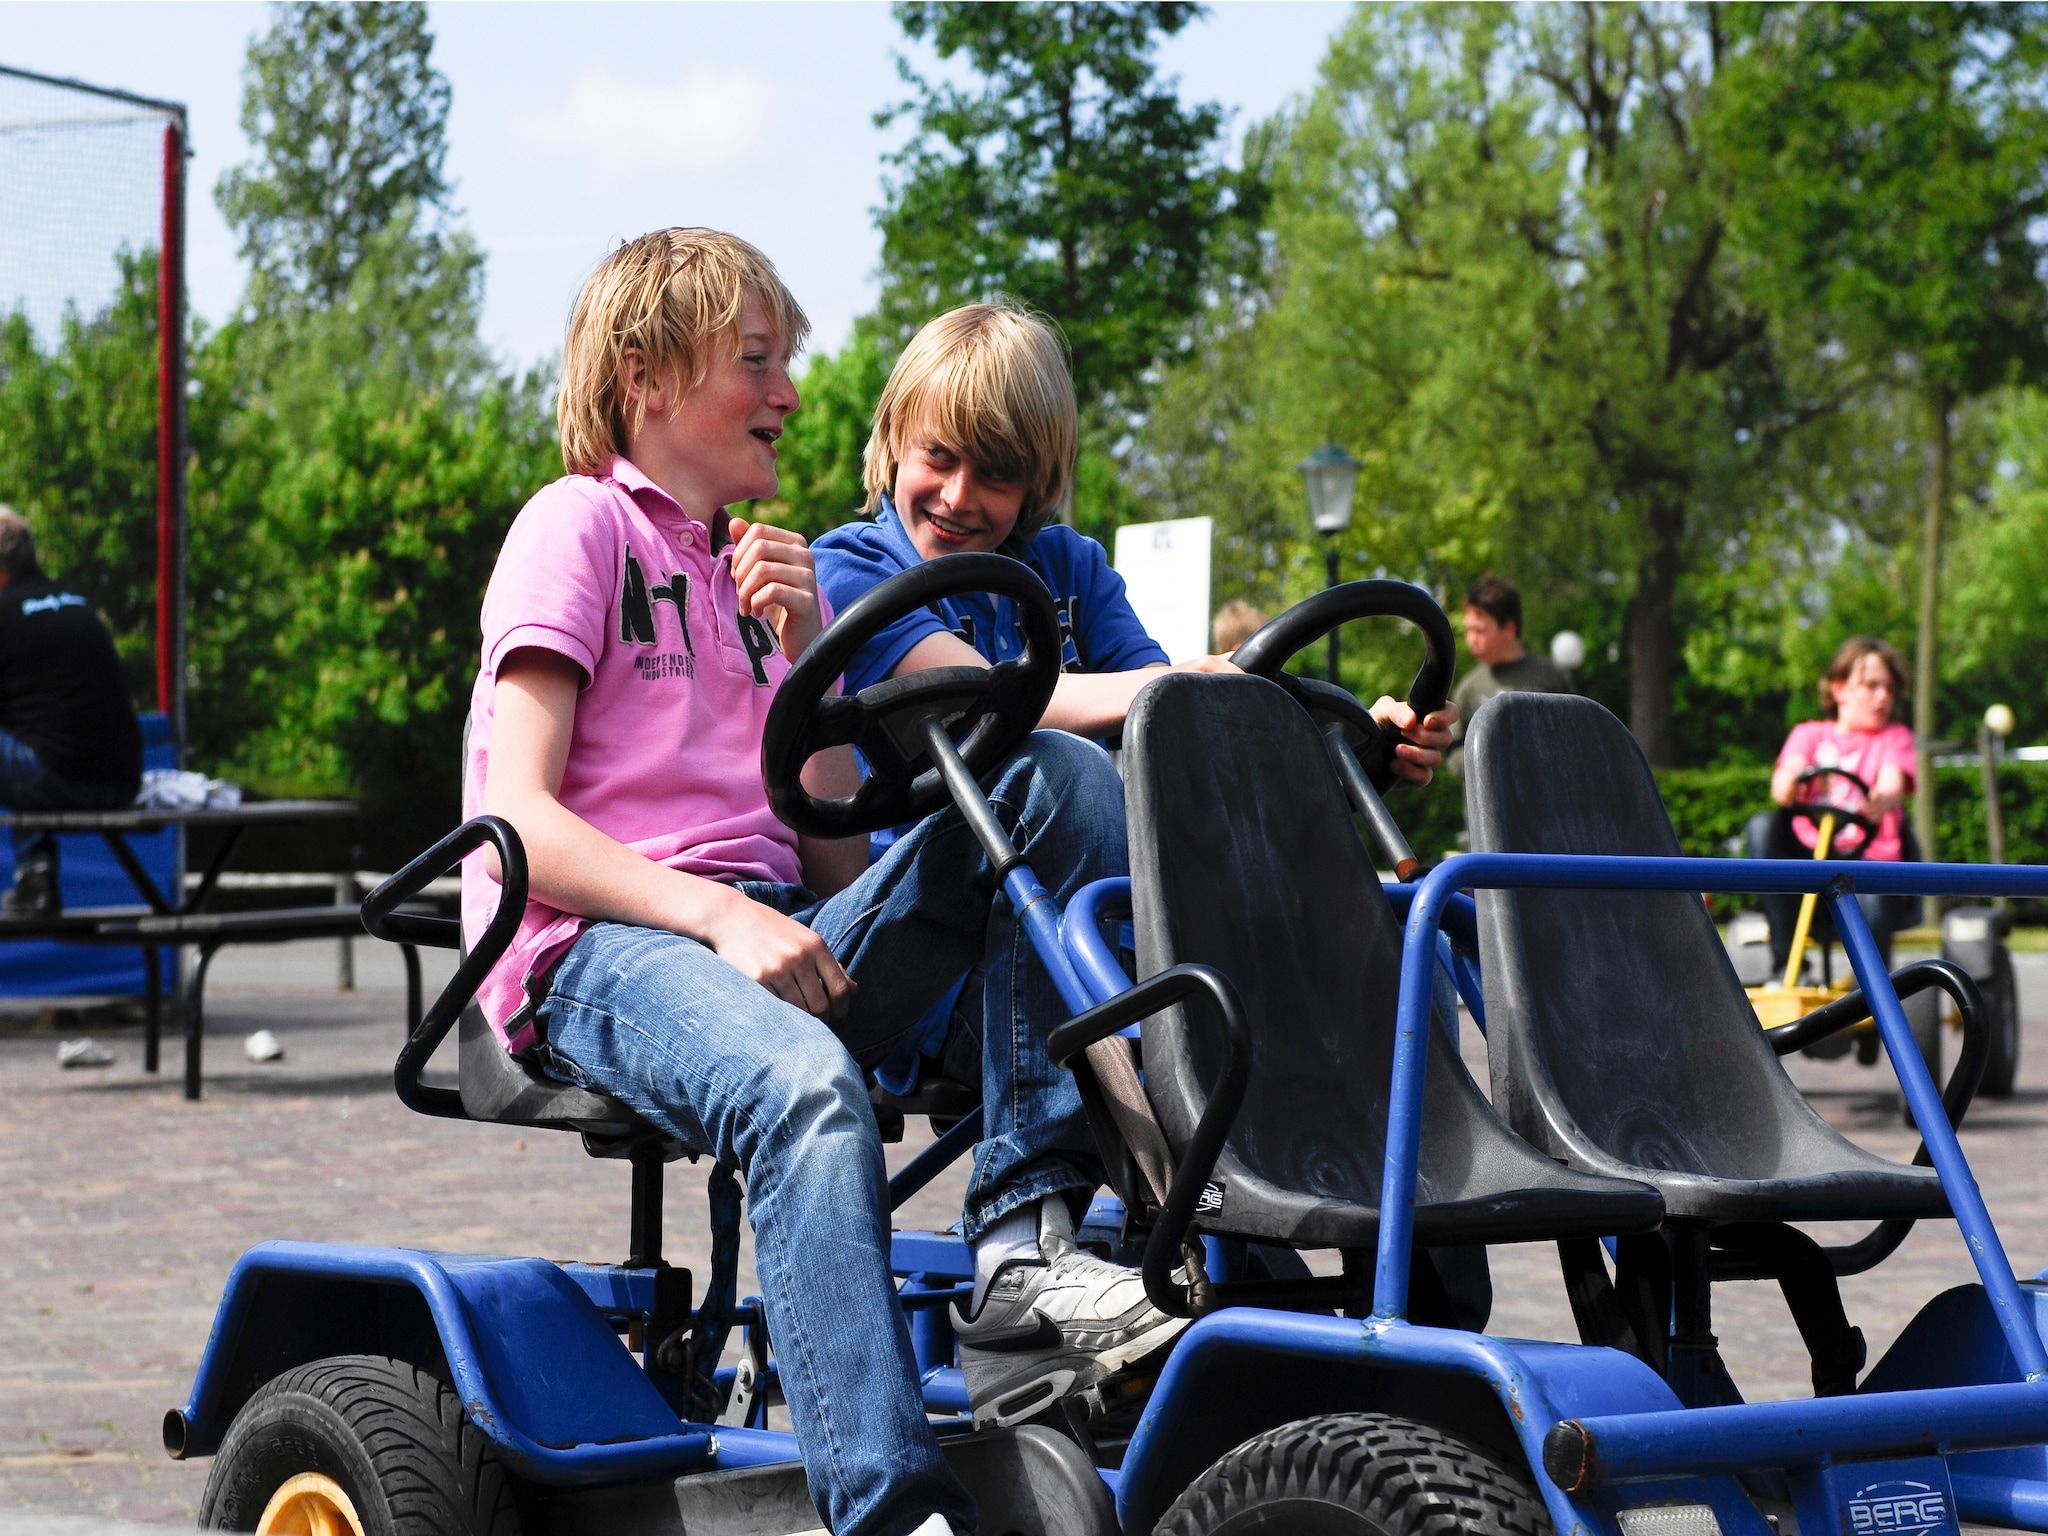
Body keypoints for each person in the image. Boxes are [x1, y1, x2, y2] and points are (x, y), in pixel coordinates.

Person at [464, 230, 1178, 1536]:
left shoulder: (755, 569)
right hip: (597, 946)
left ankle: (1023, 1255)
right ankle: (891, 1512)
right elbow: (516, 819)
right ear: (645, 376)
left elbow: (832, 858)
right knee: (806, 1085)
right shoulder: (577, 525)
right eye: (756, 361)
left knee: (1055, 784)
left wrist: (807, 662)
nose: (789, 392)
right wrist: (718, 914)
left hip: (771, 930)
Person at [813, 301, 1454, 778]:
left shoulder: (1070, 566)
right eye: (940, 456)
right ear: (895, 437)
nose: (958, 496)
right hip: (927, 877)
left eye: (996, 474)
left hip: (1074, 882)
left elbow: (1160, 711)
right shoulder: (850, 571)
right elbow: (986, 696)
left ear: (1037, 481)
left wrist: (1349, 739)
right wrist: (1181, 679)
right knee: (1070, 772)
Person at [0, 507, 142, 918]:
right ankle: (35, 876)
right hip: (123, 781)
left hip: (62, 779)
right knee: (35, 736)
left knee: (35, 747)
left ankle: (36, 875)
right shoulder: (78, 605)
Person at [1748, 637, 1919, 972]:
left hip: (1866, 870)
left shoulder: (1893, 738)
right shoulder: (1810, 734)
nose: (1883, 697)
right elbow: (1790, 768)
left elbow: (1892, 781)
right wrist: (1788, 780)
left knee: (1874, 899)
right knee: (1761, 825)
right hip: (1806, 864)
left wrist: (1884, 795)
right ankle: (1788, 965)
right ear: (1839, 689)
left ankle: (1871, 990)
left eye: (1889, 688)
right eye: (1871, 685)